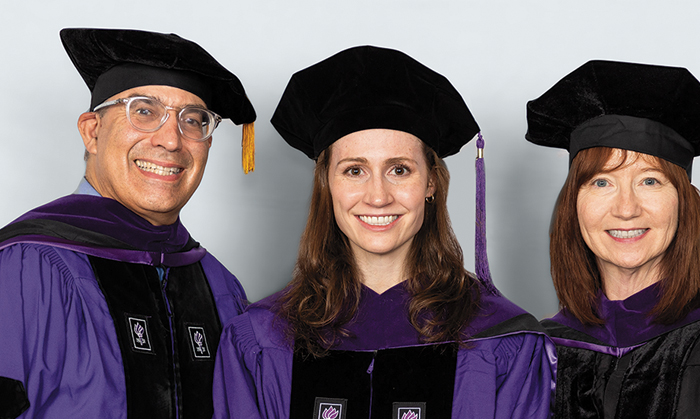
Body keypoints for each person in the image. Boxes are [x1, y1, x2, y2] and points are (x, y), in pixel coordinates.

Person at [212, 45, 555, 419]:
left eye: (400, 170)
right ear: (327, 184)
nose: (377, 197)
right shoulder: (262, 338)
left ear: (431, 184)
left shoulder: (502, 339)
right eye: (354, 170)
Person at [0, 28, 256, 418]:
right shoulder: (26, 268)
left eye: (194, 120)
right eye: (144, 111)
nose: (171, 140)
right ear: (92, 131)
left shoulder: (219, 285)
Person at [525, 60, 700, 418]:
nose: (626, 209)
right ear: (573, 205)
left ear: (683, 202)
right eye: (601, 182)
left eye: (650, 181)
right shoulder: (538, 351)